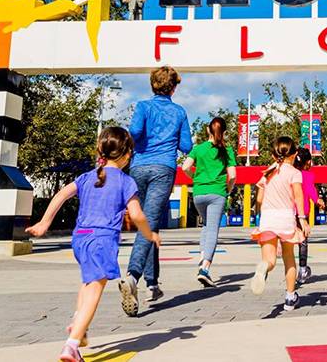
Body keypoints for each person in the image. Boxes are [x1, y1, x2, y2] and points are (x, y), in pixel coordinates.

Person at [26, 127, 158, 362]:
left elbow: (60, 196)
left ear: (101, 150)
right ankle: (72, 345)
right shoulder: (126, 182)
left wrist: (44, 224)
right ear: (128, 154)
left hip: (80, 238)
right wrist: (149, 235)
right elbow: (137, 215)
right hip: (102, 240)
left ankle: (80, 325)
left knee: (88, 282)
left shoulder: (86, 177)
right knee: (95, 290)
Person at [122, 66, 192, 312]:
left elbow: (135, 133)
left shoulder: (142, 107)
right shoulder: (179, 112)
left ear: (153, 85)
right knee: (148, 223)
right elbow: (186, 145)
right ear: (173, 87)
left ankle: (152, 283)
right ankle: (132, 276)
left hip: (139, 167)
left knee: (149, 222)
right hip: (164, 168)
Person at [250, 136, 310, 310]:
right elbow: (299, 196)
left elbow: (259, 199)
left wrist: (258, 217)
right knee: (289, 258)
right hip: (286, 219)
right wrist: (302, 219)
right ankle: (290, 297)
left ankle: (263, 268)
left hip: (267, 219)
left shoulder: (268, 172)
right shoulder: (294, 173)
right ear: (295, 154)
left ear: (272, 155)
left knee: (269, 260)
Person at [181, 116, 237, 288]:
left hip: (199, 194)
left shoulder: (198, 149)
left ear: (207, 130)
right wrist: (227, 189)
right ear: (225, 132)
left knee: (205, 226)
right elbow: (233, 175)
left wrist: (195, 179)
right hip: (217, 193)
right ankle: (205, 268)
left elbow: (184, 167)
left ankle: (201, 257)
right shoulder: (227, 150)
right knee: (213, 229)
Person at [292, 147, 321, 284]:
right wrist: (317, 200)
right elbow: (310, 189)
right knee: (302, 241)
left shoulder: (289, 173)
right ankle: (302, 269)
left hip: (288, 211)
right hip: (302, 212)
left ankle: (289, 269)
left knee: (288, 241)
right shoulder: (308, 175)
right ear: (308, 161)